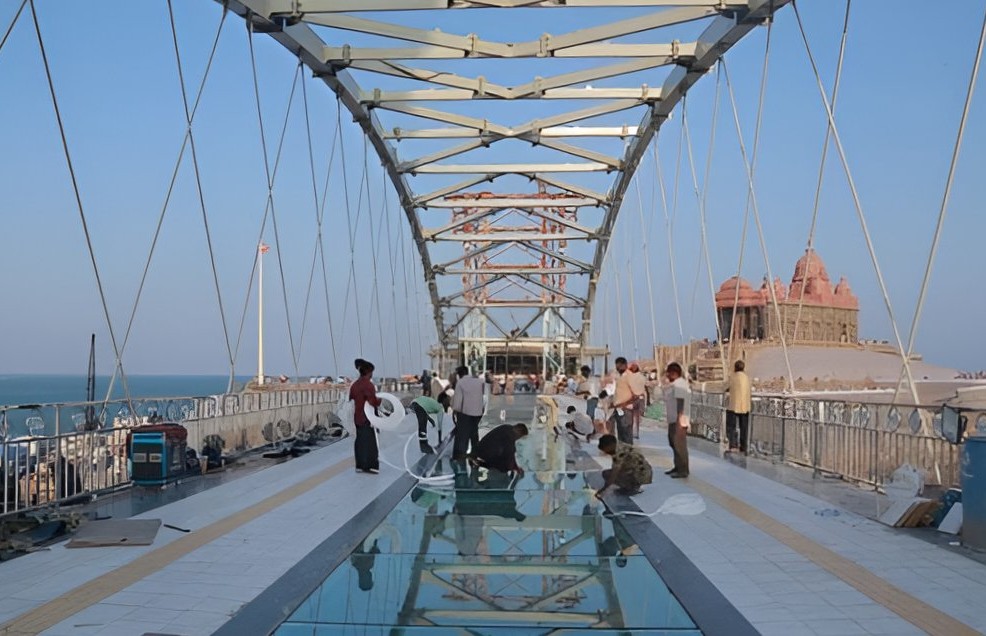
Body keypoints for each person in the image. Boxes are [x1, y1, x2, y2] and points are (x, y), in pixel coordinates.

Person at [349, 358, 382, 473]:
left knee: (360, 440)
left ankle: (360, 465)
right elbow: (372, 401)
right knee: (370, 442)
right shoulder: (368, 385)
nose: (372, 374)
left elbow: (352, 399)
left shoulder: (354, 385)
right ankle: (371, 465)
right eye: (371, 372)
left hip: (357, 417)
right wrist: (379, 400)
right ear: (368, 372)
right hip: (367, 417)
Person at [450, 366, 485, 461]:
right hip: (478, 412)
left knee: (462, 434)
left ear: (459, 374)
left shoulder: (461, 382)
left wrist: (455, 410)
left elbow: (458, 400)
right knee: (474, 433)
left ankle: (460, 455)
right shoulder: (479, 381)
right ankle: (475, 453)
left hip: (465, 412)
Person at [663, 362, 691, 478]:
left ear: (673, 373)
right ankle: (677, 466)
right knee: (673, 443)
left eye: (668, 373)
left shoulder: (680, 384)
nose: (667, 376)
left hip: (679, 420)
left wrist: (680, 419)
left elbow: (681, 402)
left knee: (680, 445)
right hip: (673, 419)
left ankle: (683, 470)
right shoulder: (674, 384)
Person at [725, 360, 752, 453]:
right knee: (744, 427)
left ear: (735, 368)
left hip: (734, 405)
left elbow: (725, 387)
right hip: (745, 406)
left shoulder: (732, 377)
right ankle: (744, 446)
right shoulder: (747, 378)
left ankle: (733, 445)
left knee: (731, 426)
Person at [610, 357, 635, 445]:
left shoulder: (630, 376)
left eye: (619, 366)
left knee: (626, 435)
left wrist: (625, 404)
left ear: (625, 365)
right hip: (618, 410)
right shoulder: (619, 377)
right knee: (620, 434)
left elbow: (636, 394)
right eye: (617, 366)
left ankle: (629, 454)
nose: (618, 368)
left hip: (626, 409)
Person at [627, 362, 647, 439]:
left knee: (631, 416)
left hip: (632, 398)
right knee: (637, 417)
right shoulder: (642, 377)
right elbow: (644, 389)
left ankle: (631, 432)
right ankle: (636, 433)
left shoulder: (630, 377)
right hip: (640, 398)